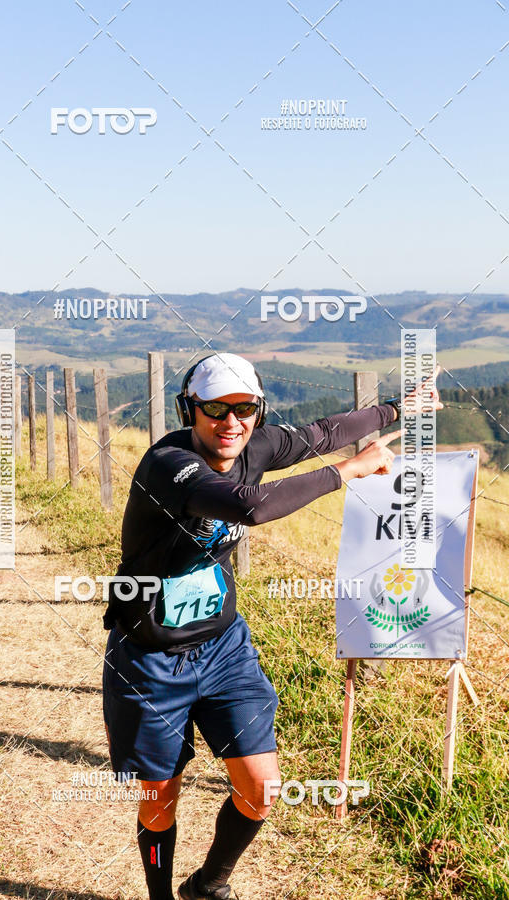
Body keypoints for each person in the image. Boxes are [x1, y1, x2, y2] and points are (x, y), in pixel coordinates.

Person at [102, 352, 442, 900]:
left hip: (222, 648)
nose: (230, 422)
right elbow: (252, 507)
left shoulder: (254, 444)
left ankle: (208, 884)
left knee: (262, 789)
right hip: (149, 654)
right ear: (190, 409)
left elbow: (323, 431)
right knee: (160, 793)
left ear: (257, 411)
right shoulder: (169, 463)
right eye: (215, 408)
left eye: (244, 409)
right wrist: (347, 472)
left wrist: (399, 407)